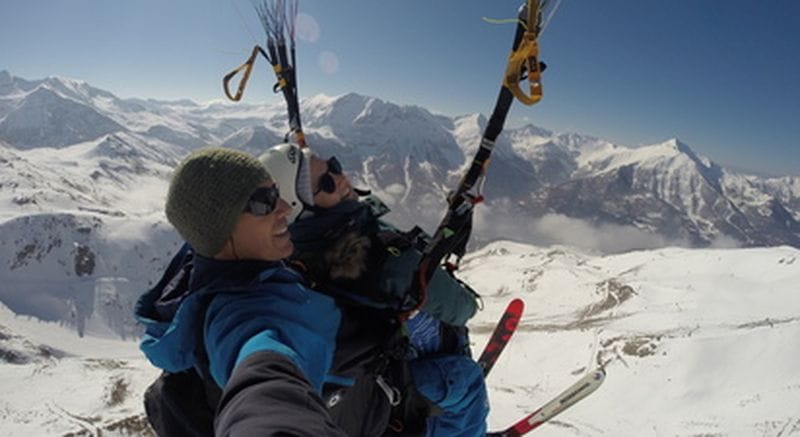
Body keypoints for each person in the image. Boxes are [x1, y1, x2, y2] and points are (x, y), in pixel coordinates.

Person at [259, 143, 489, 437]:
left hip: (360, 379)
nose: (340, 177)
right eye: (327, 182)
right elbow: (462, 308)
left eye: (334, 166)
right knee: (466, 380)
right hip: (396, 381)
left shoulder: (290, 252)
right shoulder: (386, 261)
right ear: (299, 207)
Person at [135, 147, 346, 436]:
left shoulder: (250, 262)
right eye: (264, 202)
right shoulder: (240, 314)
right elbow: (263, 376)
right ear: (220, 229)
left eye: (277, 192)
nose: (286, 207)